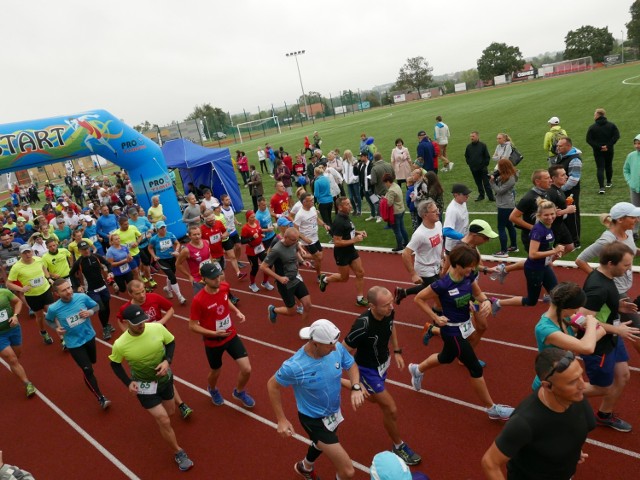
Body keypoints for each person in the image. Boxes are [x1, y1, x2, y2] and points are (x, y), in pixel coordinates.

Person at [409, 244, 514, 421]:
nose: (473, 269)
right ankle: (491, 408)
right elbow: (418, 299)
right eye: (469, 265)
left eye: (474, 265)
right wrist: (435, 316)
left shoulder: (469, 275)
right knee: (474, 367)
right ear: (457, 265)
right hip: (451, 330)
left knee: (446, 357)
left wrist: (486, 301)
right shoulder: (442, 284)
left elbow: (479, 294)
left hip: (466, 325)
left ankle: (417, 369)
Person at [267, 319, 365, 480]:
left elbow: (351, 365)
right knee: (348, 471)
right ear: (315, 343)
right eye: (330, 345)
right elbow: (272, 385)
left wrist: (355, 387)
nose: (335, 348)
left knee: (320, 445)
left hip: (332, 412)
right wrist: (281, 419)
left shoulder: (335, 347)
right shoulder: (294, 366)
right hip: (313, 420)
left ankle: (305, 467)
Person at [481, 348, 595, 480]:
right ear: (547, 386)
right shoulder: (524, 422)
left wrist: (572, 450)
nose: (582, 385)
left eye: (581, 375)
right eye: (572, 382)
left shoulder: (575, 397)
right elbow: (490, 463)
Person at [109, 304, 194, 472]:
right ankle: (178, 451)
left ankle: (167, 423)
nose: (141, 325)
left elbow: (171, 342)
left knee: (170, 412)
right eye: (137, 323)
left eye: (143, 321)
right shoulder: (120, 344)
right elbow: (115, 364)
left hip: (164, 381)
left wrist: (167, 361)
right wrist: (128, 382)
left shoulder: (156, 328)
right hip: (144, 385)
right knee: (163, 419)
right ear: (126, 323)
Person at [343, 286, 422, 466]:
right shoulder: (362, 325)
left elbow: (391, 326)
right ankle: (398, 446)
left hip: (382, 364)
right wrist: (356, 381)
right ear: (372, 306)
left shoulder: (388, 312)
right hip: (367, 369)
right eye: (386, 305)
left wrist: (397, 351)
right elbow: (343, 352)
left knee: (371, 398)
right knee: (390, 408)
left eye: (391, 303)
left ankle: (349, 385)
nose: (391, 307)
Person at [578, 241, 638, 432]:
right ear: (611, 263)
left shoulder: (605, 276)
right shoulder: (598, 288)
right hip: (598, 344)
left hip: (611, 335)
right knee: (602, 387)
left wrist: (618, 306)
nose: (629, 269)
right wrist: (617, 330)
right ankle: (555, 396)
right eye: (626, 265)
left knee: (623, 376)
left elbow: (601, 307)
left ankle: (604, 415)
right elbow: (580, 319)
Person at [116, 280, 194, 419]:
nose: (142, 295)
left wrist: (160, 323)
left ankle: (180, 404)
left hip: (158, 340)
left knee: (165, 371)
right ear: (130, 294)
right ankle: (159, 398)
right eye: (138, 293)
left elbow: (171, 309)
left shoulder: (154, 298)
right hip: (139, 344)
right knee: (153, 372)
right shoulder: (126, 309)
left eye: (143, 291)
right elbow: (120, 320)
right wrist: (127, 335)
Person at [188, 262, 255, 409]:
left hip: (230, 335)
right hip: (213, 342)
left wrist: (236, 311)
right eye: (213, 278)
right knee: (216, 371)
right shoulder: (198, 300)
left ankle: (239, 391)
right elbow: (192, 326)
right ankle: (212, 389)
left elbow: (226, 300)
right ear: (204, 279)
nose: (217, 280)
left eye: (218, 276)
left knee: (247, 369)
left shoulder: (224, 287)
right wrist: (213, 333)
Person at [45, 278, 111, 409]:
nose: (68, 291)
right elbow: (49, 320)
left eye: (69, 288)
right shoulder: (54, 308)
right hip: (74, 343)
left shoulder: (81, 297)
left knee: (93, 361)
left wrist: (90, 312)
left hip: (89, 336)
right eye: (64, 290)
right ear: (57, 294)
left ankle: (87, 371)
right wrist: (56, 328)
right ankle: (101, 398)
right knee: (88, 370)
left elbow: (96, 306)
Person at [492, 200, 563, 315]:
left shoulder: (548, 226)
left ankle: (556, 320)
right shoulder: (538, 230)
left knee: (557, 294)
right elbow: (532, 254)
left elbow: (545, 247)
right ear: (539, 215)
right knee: (531, 301)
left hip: (544, 267)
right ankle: (498, 302)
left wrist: (554, 252)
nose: (550, 217)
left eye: (552, 214)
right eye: (546, 215)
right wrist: (553, 251)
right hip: (534, 269)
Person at [532, 282, 605, 391]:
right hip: (550, 384)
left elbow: (601, 330)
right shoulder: (545, 329)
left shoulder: (567, 316)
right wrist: (591, 324)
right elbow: (587, 347)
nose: (578, 311)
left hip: (564, 378)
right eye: (577, 308)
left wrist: (590, 330)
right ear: (566, 308)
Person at [319, 197, 369, 307]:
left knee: (360, 273)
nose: (350, 205)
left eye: (350, 203)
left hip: (351, 250)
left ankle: (360, 299)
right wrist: (354, 240)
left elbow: (348, 229)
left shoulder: (346, 216)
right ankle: (325, 279)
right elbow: (337, 242)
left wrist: (357, 232)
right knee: (344, 278)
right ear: (340, 207)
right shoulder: (338, 221)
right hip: (341, 254)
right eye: (347, 204)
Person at [395, 199, 443, 306]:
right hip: (425, 269)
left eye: (437, 209)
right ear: (425, 215)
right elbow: (406, 253)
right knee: (439, 296)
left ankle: (403, 292)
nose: (438, 212)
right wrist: (413, 274)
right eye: (434, 211)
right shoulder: (419, 235)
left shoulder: (439, 224)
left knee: (429, 287)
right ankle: (438, 320)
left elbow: (439, 244)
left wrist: (442, 259)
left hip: (436, 266)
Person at [261, 227, 313, 325]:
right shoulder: (276, 249)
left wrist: (302, 261)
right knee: (292, 311)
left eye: (297, 239)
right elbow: (263, 267)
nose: (295, 242)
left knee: (307, 305)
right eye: (293, 240)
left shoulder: (294, 242)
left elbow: (296, 250)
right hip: (285, 283)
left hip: (296, 278)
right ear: (285, 237)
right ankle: (274, 310)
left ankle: (306, 330)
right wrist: (279, 278)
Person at [6, 244, 55, 345]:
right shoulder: (16, 267)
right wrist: (21, 289)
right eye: (24, 253)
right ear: (20, 254)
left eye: (29, 252)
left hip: (45, 291)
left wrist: (48, 278)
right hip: (32, 296)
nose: (27, 254)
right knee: (40, 317)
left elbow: (44, 268)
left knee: (52, 312)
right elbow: (8, 283)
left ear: (32, 251)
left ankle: (63, 338)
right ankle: (43, 333)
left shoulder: (38, 259)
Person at [69, 241, 115, 340]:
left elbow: (108, 264)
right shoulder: (79, 262)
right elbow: (71, 274)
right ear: (79, 251)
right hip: (91, 290)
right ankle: (105, 328)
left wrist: (110, 272)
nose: (86, 251)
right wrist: (77, 286)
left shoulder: (96, 257)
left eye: (87, 248)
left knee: (106, 307)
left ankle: (106, 324)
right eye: (83, 249)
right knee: (100, 308)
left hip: (103, 286)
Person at [0, 288, 35, 398]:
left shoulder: (4, 292)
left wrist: (15, 315)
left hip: (13, 329)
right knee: (12, 358)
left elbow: (18, 301)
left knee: (17, 355)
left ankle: (15, 368)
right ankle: (27, 384)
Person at [509, 169, 551, 253]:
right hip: (532, 237)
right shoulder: (529, 198)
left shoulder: (545, 193)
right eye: (547, 178)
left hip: (543, 235)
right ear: (538, 181)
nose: (550, 180)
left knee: (543, 262)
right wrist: (533, 228)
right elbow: (513, 217)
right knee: (536, 263)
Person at [551, 137, 582, 246]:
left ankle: (575, 241)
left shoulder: (575, 160)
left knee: (572, 216)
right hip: (561, 190)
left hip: (570, 192)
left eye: (560, 146)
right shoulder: (561, 156)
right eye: (558, 145)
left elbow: (574, 179)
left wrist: (560, 189)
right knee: (562, 214)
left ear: (568, 146)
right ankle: (564, 239)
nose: (557, 148)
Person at [148, 221, 186, 305]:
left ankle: (167, 289)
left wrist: (176, 251)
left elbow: (177, 243)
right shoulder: (154, 239)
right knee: (172, 277)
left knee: (171, 274)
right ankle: (180, 297)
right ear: (157, 229)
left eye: (164, 227)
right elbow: (150, 248)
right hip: (162, 260)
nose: (163, 229)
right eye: (161, 228)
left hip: (172, 258)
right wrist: (154, 256)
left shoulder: (170, 235)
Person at [294, 193, 331, 280]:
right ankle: (319, 276)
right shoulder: (300, 215)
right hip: (308, 241)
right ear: (304, 202)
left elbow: (316, 219)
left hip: (316, 238)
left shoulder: (313, 208)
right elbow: (295, 229)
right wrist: (304, 239)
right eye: (310, 201)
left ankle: (300, 256)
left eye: (312, 200)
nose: (312, 202)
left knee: (320, 257)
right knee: (318, 258)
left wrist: (324, 225)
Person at [586, 108, 620, 194]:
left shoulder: (592, 127)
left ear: (598, 115)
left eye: (594, 114)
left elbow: (589, 140)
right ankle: (608, 182)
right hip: (609, 150)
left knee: (600, 168)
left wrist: (599, 147)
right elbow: (616, 136)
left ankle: (601, 187)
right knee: (608, 166)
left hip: (598, 151)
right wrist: (608, 146)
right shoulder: (611, 125)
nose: (594, 116)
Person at [489, 158, 518, 257]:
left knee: (501, 227)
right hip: (507, 204)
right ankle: (514, 246)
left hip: (504, 206)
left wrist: (492, 182)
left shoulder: (510, 178)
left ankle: (504, 251)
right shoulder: (508, 175)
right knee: (509, 226)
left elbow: (500, 191)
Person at [546, 165, 576, 254]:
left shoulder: (559, 189)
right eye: (563, 175)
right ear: (554, 178)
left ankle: (548, 262)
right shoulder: (551, 192)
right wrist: (567, 210)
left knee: (569, 246)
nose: (566, 177)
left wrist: (566, 205)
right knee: (547, 251)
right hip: (552, 226)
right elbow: (548, 212)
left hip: (560, 224)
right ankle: (545, 264)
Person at [240, 210, 273, 293]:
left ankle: (265, 282)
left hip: (260, 247)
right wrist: (252, 238)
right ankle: (252, 284)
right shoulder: (245, 228)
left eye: (254, 216)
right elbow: (243, 241)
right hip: (251, 250)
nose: (254, 218)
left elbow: (259, 230)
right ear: (248, 218)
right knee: (255, 268)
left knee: (267, 264)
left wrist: (262, 233)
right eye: (252, 217)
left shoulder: (257, 222)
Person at [176, 225, 212, 295]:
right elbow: (178, 264)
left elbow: (210, 256)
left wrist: (212, 266)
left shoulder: (206, 242)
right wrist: (189, 276)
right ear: (189, 236)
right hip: (198, 279)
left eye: (198, 234)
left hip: (209, 275)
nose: (197, 236)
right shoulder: (186, 250)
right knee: (201, 300)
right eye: (194, 235)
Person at [464, 131, 494, 201]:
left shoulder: (483, 145)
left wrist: (484, 165)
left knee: (486, 183)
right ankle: (481, 196)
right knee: (478, 183)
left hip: (483, 169)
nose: (471, 138)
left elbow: (487, 157)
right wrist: (470, 164)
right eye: (471, 136)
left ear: (477, 136)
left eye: (473, 136)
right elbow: (466, 156)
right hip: (474, 169)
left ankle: (491, 197)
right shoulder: (469, 147)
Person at [382, 174, 408, 252]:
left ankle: (399, 246)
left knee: (397, 230)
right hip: (401, 209)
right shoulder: (396, 185)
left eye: (385, 183)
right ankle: (406, 243)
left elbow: (389, 203)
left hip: (395, 212)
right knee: (402, 228)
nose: (385, 185)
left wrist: (384, 199)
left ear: (387, 182)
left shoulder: (391, 190)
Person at [442, 183, 471, 254]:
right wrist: (463, 237)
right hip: (454, 247)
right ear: (456, 195)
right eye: (464, 194)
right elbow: (446, 231)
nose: (467, 196)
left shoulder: (463, 202)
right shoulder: (452, 210)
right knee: (456, 265)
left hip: (462, 243)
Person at [623, 134, 640, 238]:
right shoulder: (631, 156)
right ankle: (634, 232)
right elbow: (626, 170)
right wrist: (630, 182)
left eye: (639, 143)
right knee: (635, 211)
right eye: (636, 143)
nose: (637, 146)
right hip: (634, 189)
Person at [342, 150, 362, 215]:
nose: (347, 156)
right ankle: (354, 209)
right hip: (348, 182)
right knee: (350, 197)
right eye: (346, 155)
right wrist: (345, 179)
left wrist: (354, 178)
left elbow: (357, 171)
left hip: (355, 182)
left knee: (357, 196)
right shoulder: (344, 162)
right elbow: (344, 172)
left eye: (348, 154)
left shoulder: (355, 161)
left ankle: (359, 210)